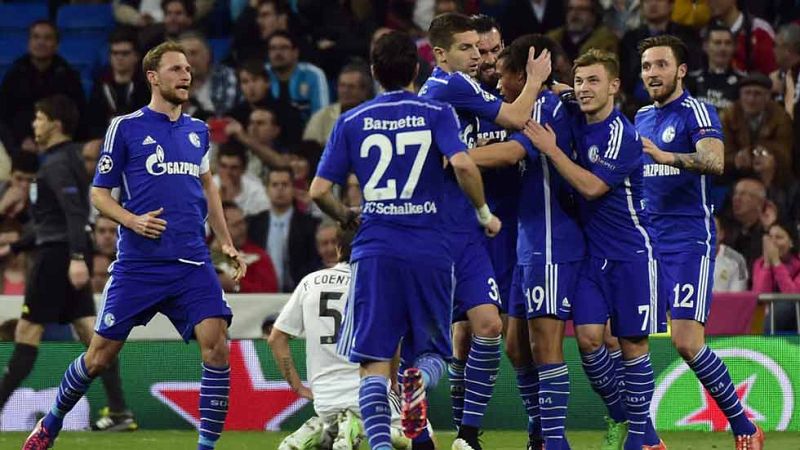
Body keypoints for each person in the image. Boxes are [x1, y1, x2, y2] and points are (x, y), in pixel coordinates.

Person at [21, 42, 247, 450]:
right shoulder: (125, 127)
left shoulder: (198, 131)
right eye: (176, 69)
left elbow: (208, 186)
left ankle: (206, 448)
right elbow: (99, 194)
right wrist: (132, 220)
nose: (186, 75)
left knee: (217, 348)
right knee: (98, 357)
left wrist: (226, 242)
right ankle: (50, 424)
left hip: (192, 262)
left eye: (188, 69)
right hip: (139, 266)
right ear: (153, 77)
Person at [309, 30, 500, 450]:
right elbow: (464, 165)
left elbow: (319, 190)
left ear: (374, 72)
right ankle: (418, 381)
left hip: (375, 250)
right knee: (431, 355)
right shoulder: (436, 112)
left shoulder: (351, 121)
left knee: (374, 365)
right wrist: (484, 213)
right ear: (417, 68)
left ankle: (380, 445)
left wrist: (345, 216)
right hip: (430, 248)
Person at [418, 13, 550, 450]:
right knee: (464, 335)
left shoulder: (486, 93)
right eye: (474, 49)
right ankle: (453, 429)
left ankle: (514, 430)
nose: (484, 57)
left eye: (491, 50)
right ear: (444, 53)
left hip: (506, 228)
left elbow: (509, 148)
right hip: (463, 226)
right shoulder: (462, 89)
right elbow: (508, 130)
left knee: (509, 336)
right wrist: (536, 82)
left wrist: (466, 154)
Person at [524, 48, 666, 450]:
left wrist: (551, 149)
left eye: (594, 81)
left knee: (632, 345)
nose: (585, 89)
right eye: (580, 80)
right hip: (592, 256)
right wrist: (543, 80)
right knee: (588, 340)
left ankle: (639, 439)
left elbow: (591, 187)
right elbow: (561, 89)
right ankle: (626, 419)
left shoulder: (623, 135)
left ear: (614, 86)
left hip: (631, 254)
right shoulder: (575, 105)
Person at [635, 34, 764, 448]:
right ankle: (648, 440)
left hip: (687, 240)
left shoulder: (697, 111)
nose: (652, 73)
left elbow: (714, 160)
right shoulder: (640, 117)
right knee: (627, 339)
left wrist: (668, 157)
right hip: (645, 242)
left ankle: (745, 426)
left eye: (661, 65)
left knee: (687, 342)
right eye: (646, 66)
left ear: (681, 70)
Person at [468, 33, 585, 450]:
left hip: (551, 238)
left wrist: (452, 155)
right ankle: (539, 431)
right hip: (528, 242)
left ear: (524, 74)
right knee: (517, 346)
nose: (499, 83)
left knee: (545, 345)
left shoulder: (546, 106)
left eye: (505, 75)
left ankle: (553, 441)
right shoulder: (538, 103)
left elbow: (513, 154)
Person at [0, 95, 135, 436]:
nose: (35, 124)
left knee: (27, 332)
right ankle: (119, 410)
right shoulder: (63, 160)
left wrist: (75, 258)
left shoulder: (58, 164)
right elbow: (52, 220)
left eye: (40, 118)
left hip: (56, 258)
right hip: (63, 251)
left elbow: (74, 213)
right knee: (91, 334)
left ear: (55, 125)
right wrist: (14, 246)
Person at [268, 225, 411, 450]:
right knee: (424, 439)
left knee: (335, 428)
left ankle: (324, 431)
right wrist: (393, 381)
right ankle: (361, 427)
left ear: (338, 248)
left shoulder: (310, 282)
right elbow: (393, 342)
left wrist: (298, 387)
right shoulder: (379, 285)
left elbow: (276, 339)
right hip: (368, 394)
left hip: (324, 400)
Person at [247, 167, 320, 292]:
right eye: (275, 185)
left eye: (285, 184)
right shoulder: (253, 224)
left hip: (299, 291)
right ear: (267, 190)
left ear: (293, 189)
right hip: (261, 294)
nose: (280, 189)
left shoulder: (309, 225)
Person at [87, 28, 150, 139]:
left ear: (136, 56)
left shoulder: (146, 84)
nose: (119, 58)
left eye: (125, 53)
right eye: (115, 53)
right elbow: (93, 121)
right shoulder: (100, 83)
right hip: (105, 139)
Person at [213, 201, 278, 293]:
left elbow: (270, 291)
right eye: (236, 225)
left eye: (243, 222)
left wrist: (236, 286)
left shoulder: (258, 257)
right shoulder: (199, 255)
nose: (243, 229)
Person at [752, 221, 800, 333]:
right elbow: (759, 298)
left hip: (795, 321)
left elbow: (792, 297)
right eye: (770, 237)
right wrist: (767, 264)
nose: (773, 243)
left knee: (784, 306)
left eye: (779, 237)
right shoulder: (760, 263)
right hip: (767, 319)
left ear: (791, 242)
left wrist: (777, 263)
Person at [684, 24, 745, 112]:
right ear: (705, 46)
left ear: (734, 47)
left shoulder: (742, 82)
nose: (723, 48)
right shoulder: (690, 80)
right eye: (717, 43)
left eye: (728, 43)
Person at [713, 216, 749, 292]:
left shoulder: (738, 260)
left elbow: (738, 296)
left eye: (713, 231)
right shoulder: (688, 257)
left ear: (721, 235)